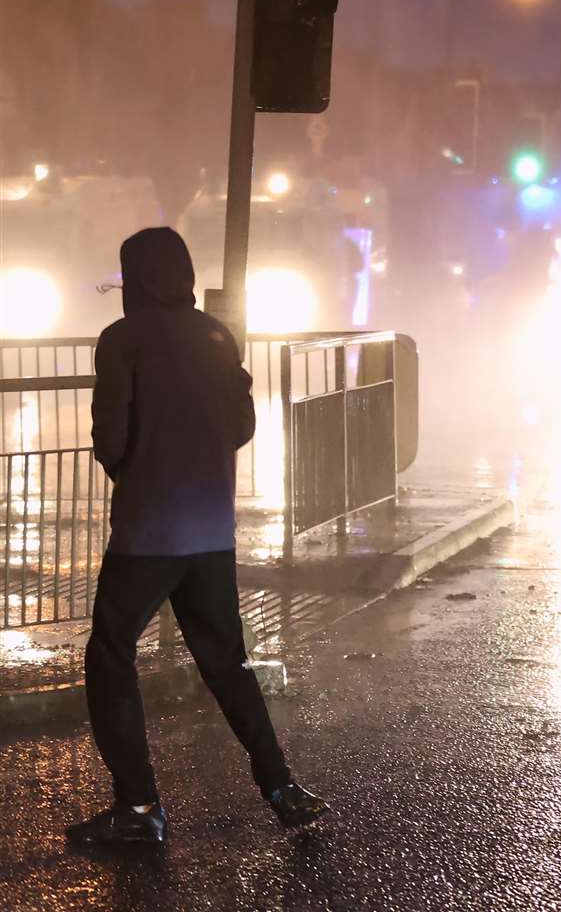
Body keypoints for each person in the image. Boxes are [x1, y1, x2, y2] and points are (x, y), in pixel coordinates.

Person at [68, 228, 328, 845]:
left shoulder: (123, 339)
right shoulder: (218, 336)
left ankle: (138, 807)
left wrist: (135, 468)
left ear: (135, 279)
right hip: (213, 527)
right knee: (227, 662)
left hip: (149, 529)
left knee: (110, 655)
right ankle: (280, 784)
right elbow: (241, 423)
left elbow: (110, 435)